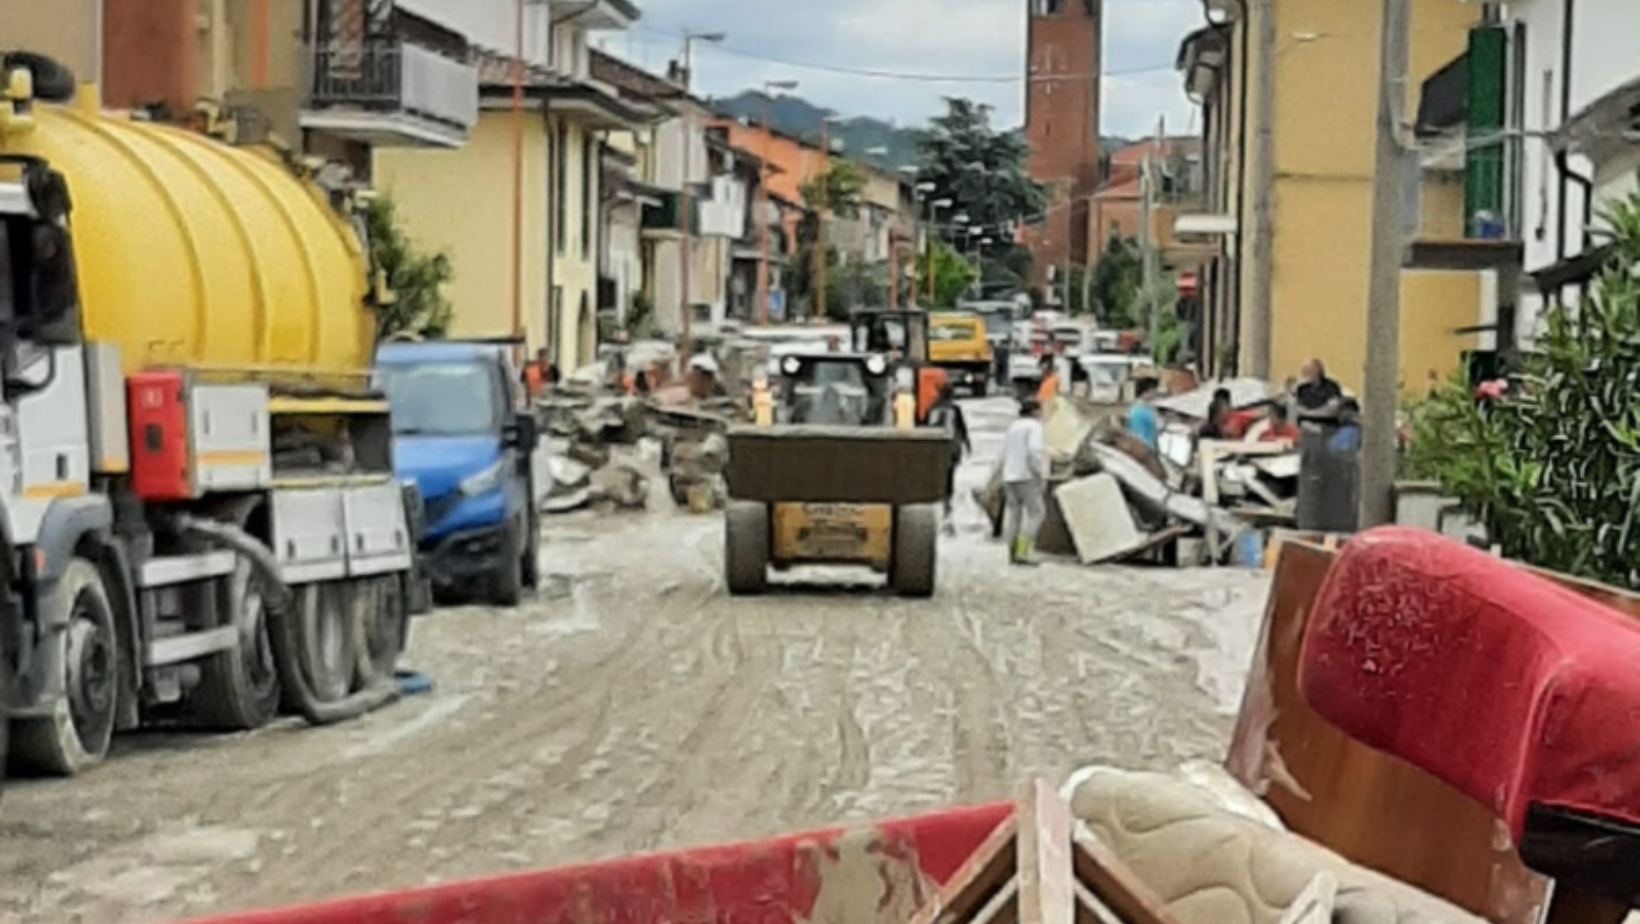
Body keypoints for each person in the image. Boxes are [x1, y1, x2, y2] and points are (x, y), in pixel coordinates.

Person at [1001, 398, 1048, 565]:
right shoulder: (1034, 427)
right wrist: (1040, 475)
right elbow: (1034, 453)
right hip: (1026, 476)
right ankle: (1023, 552)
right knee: (1037, 513)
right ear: (1035, 411)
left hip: (1009, 475)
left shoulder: (1013, 427)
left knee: (1014, 515)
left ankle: (1011, 551)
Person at [926, 384, 973, 534]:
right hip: (952, 448)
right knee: (949, 475)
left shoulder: (932, 408)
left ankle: (939, 498)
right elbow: (962, 428)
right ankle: (947, 500)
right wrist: (967, 445)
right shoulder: (954, 409)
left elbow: (926, 427)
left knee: (936, 474)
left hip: (936, 447)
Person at [1126, 377, 1160, 450]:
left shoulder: (1143, 408)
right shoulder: (1141, 411)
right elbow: (1138, 437)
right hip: (1145, 451)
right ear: (1147, 391)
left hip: (1146, 448)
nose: (1156, 393)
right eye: (1154, 390)